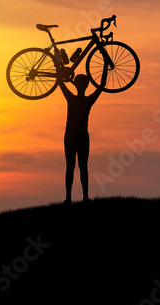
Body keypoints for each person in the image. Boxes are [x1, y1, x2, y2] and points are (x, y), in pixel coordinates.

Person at [57, 59, 109, 204]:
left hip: (71, 136)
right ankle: (83, 197)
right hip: (81, 136)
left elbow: (60, 82)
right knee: (82, 167)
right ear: (86, 85)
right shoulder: (87, 100)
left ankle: (69, 198)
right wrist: (105, 66)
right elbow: (102, 85)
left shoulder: (71, 99)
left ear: (76, 84)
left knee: (71, 167)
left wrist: (57, 64)